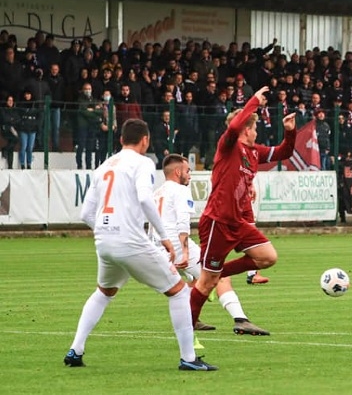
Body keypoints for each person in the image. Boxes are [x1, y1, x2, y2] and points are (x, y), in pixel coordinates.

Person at [68, 119, 217, 371]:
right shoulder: (143, 162)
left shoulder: (102, 167)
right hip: (131, 241)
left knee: (104, 292)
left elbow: (85, 214)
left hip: (104, 241)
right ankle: (189, 358)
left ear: (120, 139)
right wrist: (165, 238)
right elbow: (145, 200)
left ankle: (75, 350)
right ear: (145, 140)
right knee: (180, 292)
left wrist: (105, 231)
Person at [189, 86, 297, 332]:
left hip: (238, 222)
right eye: (255, 127)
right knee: (205, 284)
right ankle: (189, 322)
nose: (257, 131)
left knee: (267, 257)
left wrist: (290, 132)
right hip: (218, 220)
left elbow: (284, 151)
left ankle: (217, 271)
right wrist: (254, 102)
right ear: (247, 128)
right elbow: (233, 128)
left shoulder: (253, 152)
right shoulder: (228, 146)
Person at [152, 154, 269, 336]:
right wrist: (183, 249)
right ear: (177, 172)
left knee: (193, 282)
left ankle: (192, 318)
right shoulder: (180, 190)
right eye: (187, 171)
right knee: (219, 277)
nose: (190, 175)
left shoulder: (157, 192)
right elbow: (183, 222)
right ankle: (241, 319)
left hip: (157, 246)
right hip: (176, 245)